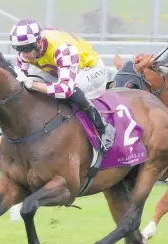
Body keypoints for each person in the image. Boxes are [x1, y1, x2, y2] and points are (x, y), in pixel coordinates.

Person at [10, 19, 115, 154]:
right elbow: (20, 77)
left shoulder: (63, 49)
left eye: (26, 49)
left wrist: (32, 84)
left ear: (38, 42)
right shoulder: (26, 50)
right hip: (59, 70)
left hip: (91, 70)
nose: (23, 54)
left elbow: (65, 90)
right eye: (18, 49)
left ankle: (104, 128)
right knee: (31, 79)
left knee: (74, 91)